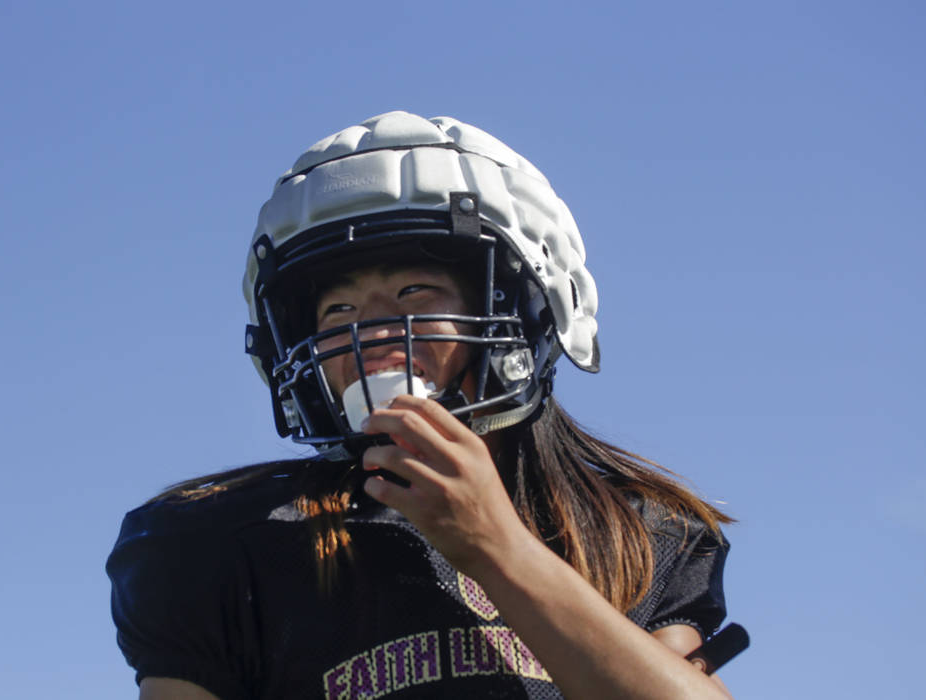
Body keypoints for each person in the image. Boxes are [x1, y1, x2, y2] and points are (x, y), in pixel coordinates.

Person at [107, 111, 740, 699]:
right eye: (339, 310)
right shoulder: (218, 541)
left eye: (414, 291)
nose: (375, 331)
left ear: (528, 310)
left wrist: (496, 545)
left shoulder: (637, 532)